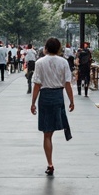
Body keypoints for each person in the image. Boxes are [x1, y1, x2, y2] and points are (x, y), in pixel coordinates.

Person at [30, 37, 74, 176]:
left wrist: (33, 103)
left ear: (46, 48)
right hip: (58, 97)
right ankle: (50, 163)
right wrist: (72, 101)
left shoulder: (39, 62)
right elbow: (68, 83)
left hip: (45, 97)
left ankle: (50, 163)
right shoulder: (64, 62)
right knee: (52, 130)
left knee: (47, 134)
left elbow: (37, 84)